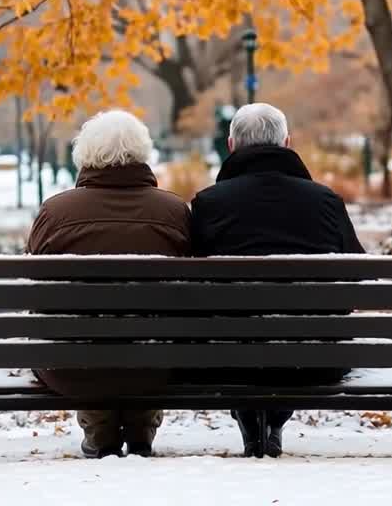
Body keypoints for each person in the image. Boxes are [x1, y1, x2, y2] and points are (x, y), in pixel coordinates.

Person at [188, 102, 365, 458]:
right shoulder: (326, 202)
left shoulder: (209, 204)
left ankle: (250, 418)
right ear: (287, 142)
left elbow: (189, 287)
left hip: (224, 361)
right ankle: (275, 420)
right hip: (315, 362)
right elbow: (355, 277)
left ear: (231, 145)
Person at [27, 110, 190, 459]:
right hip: (158, 364)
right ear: (142, 153)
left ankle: (99, 423)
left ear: (85, 155)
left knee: (85, 345)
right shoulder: (174, 212)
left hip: (71, 367)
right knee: (152, 339)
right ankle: (141, 423)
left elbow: (35, 290)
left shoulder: (55, 213)